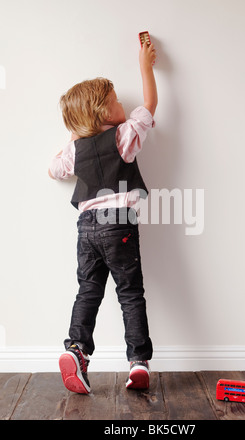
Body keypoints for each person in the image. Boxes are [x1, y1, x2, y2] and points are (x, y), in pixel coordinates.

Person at [48, 42, 157, 394]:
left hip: (86, 229)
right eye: (116, 101)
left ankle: (77, 351)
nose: (123, 104)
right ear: (104, 114)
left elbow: (53, 170)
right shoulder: (124, 136)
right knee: (130, 293)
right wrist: (146, 66)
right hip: (118, 224)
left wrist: (76, 133)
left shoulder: (74, 150)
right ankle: (138, 361)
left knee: (88, 290)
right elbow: (150, 106)